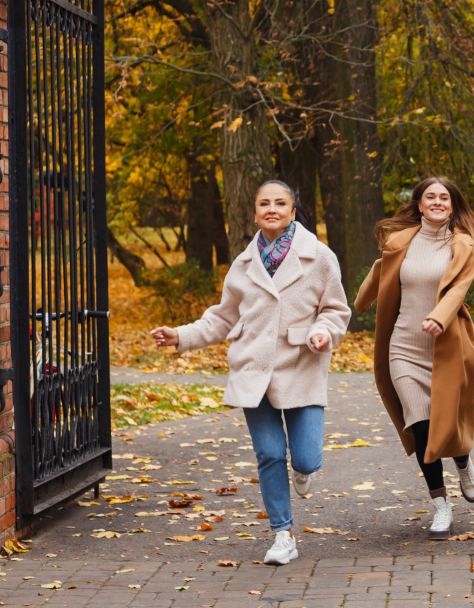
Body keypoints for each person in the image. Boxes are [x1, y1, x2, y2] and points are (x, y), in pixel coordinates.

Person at [150, 180, 350, 566]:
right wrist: (180, 336)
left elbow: (336, 309)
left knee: (306, 459)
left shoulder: (320, 256)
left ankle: (304, 473)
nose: (272, 209)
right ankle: (282, 534)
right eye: (264, 203)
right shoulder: (243, 265)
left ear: (293, 211)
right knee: (270, 454)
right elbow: (222, 318)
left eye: (281, 203)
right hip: (252, 372)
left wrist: (324, 331)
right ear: (254, 213)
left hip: (301, 366)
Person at [353, 176, 474, 539]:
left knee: (446, 419)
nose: (438, 202)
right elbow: (380, 276)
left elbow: (459, 289)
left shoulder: (463, 246)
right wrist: (361, 300)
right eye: (431, 197)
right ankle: (441, 504)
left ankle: (462, 460)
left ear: (452, 206)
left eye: (445, 197)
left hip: (446, 347)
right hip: (404, 347)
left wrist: (439, 316)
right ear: (420, 204)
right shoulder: (400, 243)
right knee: (421, 425)